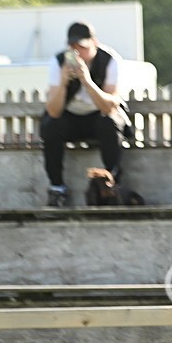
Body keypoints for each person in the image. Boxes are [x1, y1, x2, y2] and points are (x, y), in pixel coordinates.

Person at [41, 22, 131, 207]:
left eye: (82, 48)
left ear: (94, 43)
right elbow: (54, 110)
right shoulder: (58, 62)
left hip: (98, 115)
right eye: (73, 48)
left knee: (109, 123)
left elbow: (109, 107)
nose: (78, 53)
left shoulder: (110, 60)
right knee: (51, 127)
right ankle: (57, 188)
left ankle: (111, 184)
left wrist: (87, 81)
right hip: (71, 117)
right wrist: (64, 82)